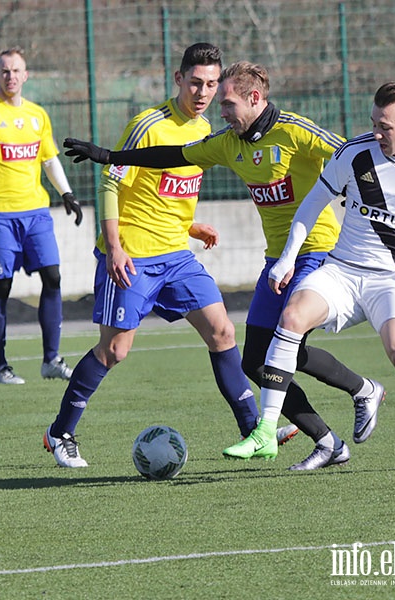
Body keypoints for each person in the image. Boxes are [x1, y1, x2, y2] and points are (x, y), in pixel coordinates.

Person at [63, 61, 385, 470]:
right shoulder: (229, 142)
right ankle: (329, 441)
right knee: (256, 360)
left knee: (287, 334)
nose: (220, 108)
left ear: (255, 99)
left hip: (318, 250)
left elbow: (351, 153)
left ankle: (289, 421)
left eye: (227, 100)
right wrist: (109, 155)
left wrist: (385, 187)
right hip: (276, 259)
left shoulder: (295, 130)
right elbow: (171, 156)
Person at [43, 44, 299, 468]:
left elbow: (167, 193)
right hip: (132, 256)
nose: (203, 92)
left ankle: (253, 425)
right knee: (114, 351)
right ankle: (60, 432)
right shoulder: (148, 125)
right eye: (196, 82)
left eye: (213, 85)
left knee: (222, 332)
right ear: (178, 79)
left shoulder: (211, 133)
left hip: (176, 256)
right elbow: (112, 183)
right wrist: (115, 247)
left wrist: (191, 226)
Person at [223, 82, 395, 470]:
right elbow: (311, 205)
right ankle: (264, 432)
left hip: (392, 280)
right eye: (374, 122)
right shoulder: (354, 154)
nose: (376, 133)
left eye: (385, 127)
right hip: (342, 270)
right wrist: (288, 257)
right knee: (290, 318)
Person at [0, 46, 83, 385]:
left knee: (52, 277)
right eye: (4, 71)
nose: (10, 76)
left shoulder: (38, 114)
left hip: (36, 212)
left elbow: (49, 160)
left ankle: (51, 359)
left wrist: (66, 193)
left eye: (16, 71)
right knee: (2, 286)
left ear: (26, 75)